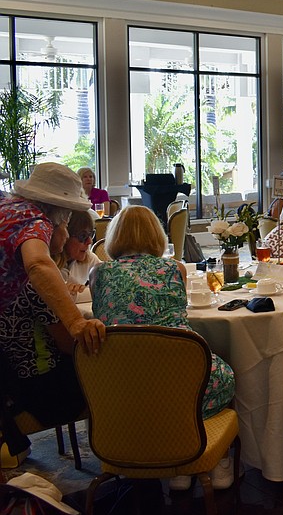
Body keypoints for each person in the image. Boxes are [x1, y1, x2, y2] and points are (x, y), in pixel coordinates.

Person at [90, 205, 236, 489]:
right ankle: (209, 460)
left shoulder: (99, 274)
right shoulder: (174, 268)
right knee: (224, 376)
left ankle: (176, 465)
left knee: (151, 384)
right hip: (176, 379)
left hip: (120, 386)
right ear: (157, 236)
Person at [0, 163, 106, 458]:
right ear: (60, 215)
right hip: (32, 386)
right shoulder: (36, 221)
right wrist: (76, 322)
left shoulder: (7, 210)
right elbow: (38, 263)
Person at [53, 210, 100, 302]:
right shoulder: (48, 263)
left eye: (91, 234)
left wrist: (74, 294)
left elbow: (107, 290)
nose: (89, 241)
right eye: (82, 236)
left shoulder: (90, 258)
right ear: (65, 236)